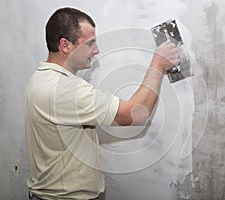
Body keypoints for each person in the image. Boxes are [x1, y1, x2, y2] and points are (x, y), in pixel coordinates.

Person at [24, 7, 179, 200]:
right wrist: (158, 65)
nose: (96, 50)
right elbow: (135, 115)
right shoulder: (65, 90)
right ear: (65, 46)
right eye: (90, 43)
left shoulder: (39, 78)